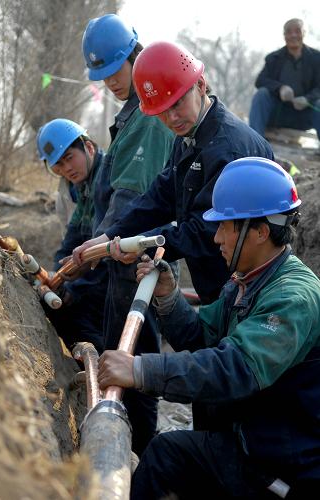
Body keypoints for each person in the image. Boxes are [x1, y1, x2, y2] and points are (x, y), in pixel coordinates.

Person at [73, 40, 275, 430]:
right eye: (161, 112)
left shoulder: (227, 147)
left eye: (177, 104)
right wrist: (110, 235)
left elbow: (204, 232)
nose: (172, 117)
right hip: (220, 286)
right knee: (210, 401)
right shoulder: (191, 138)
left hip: (249, 288)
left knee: (235, 396)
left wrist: (133, 244)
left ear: (201, 85)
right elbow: (162, 194)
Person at [98, 157, 320, 500]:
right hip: (249, 443)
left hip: (281, 471)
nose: (216, 237)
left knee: (164, 457)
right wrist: (170, 298)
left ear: (260, 231)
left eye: (225, 226)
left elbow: (234, 368)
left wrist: (139, 369)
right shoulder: (248, 280)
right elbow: (203, 337)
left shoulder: (293, 298)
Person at [79, 15, 175, 456]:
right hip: (119, 254)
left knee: (132, 354)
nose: (110, 82)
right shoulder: (131, 113)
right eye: (102, 76)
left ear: (134, 57)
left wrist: (101, 243)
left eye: (114, 71)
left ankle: (142, 452)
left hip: (133, 257)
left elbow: (132, 198)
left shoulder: (150, 118)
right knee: (119, 347)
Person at [36, 118, 108, 354]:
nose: (66, 169)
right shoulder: (82, 186)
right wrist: (56, 275)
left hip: (123, 272)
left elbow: (104, 251)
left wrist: (73, 289)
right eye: (58, 164)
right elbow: (73, 237)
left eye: (69, 158)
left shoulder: (108, 179)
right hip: (95, 276)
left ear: (88, 147)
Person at [249, 18, 320, 143]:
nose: (293, 35)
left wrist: (308, 99)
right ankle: (255, 144)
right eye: (289, 32)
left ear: (304, 33)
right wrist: (280, 88)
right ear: (284, 35)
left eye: (297, 31)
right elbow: (260, 81)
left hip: (305, 115)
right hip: (279, 114)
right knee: (261, 94)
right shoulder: (274, 58)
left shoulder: (316, 58)